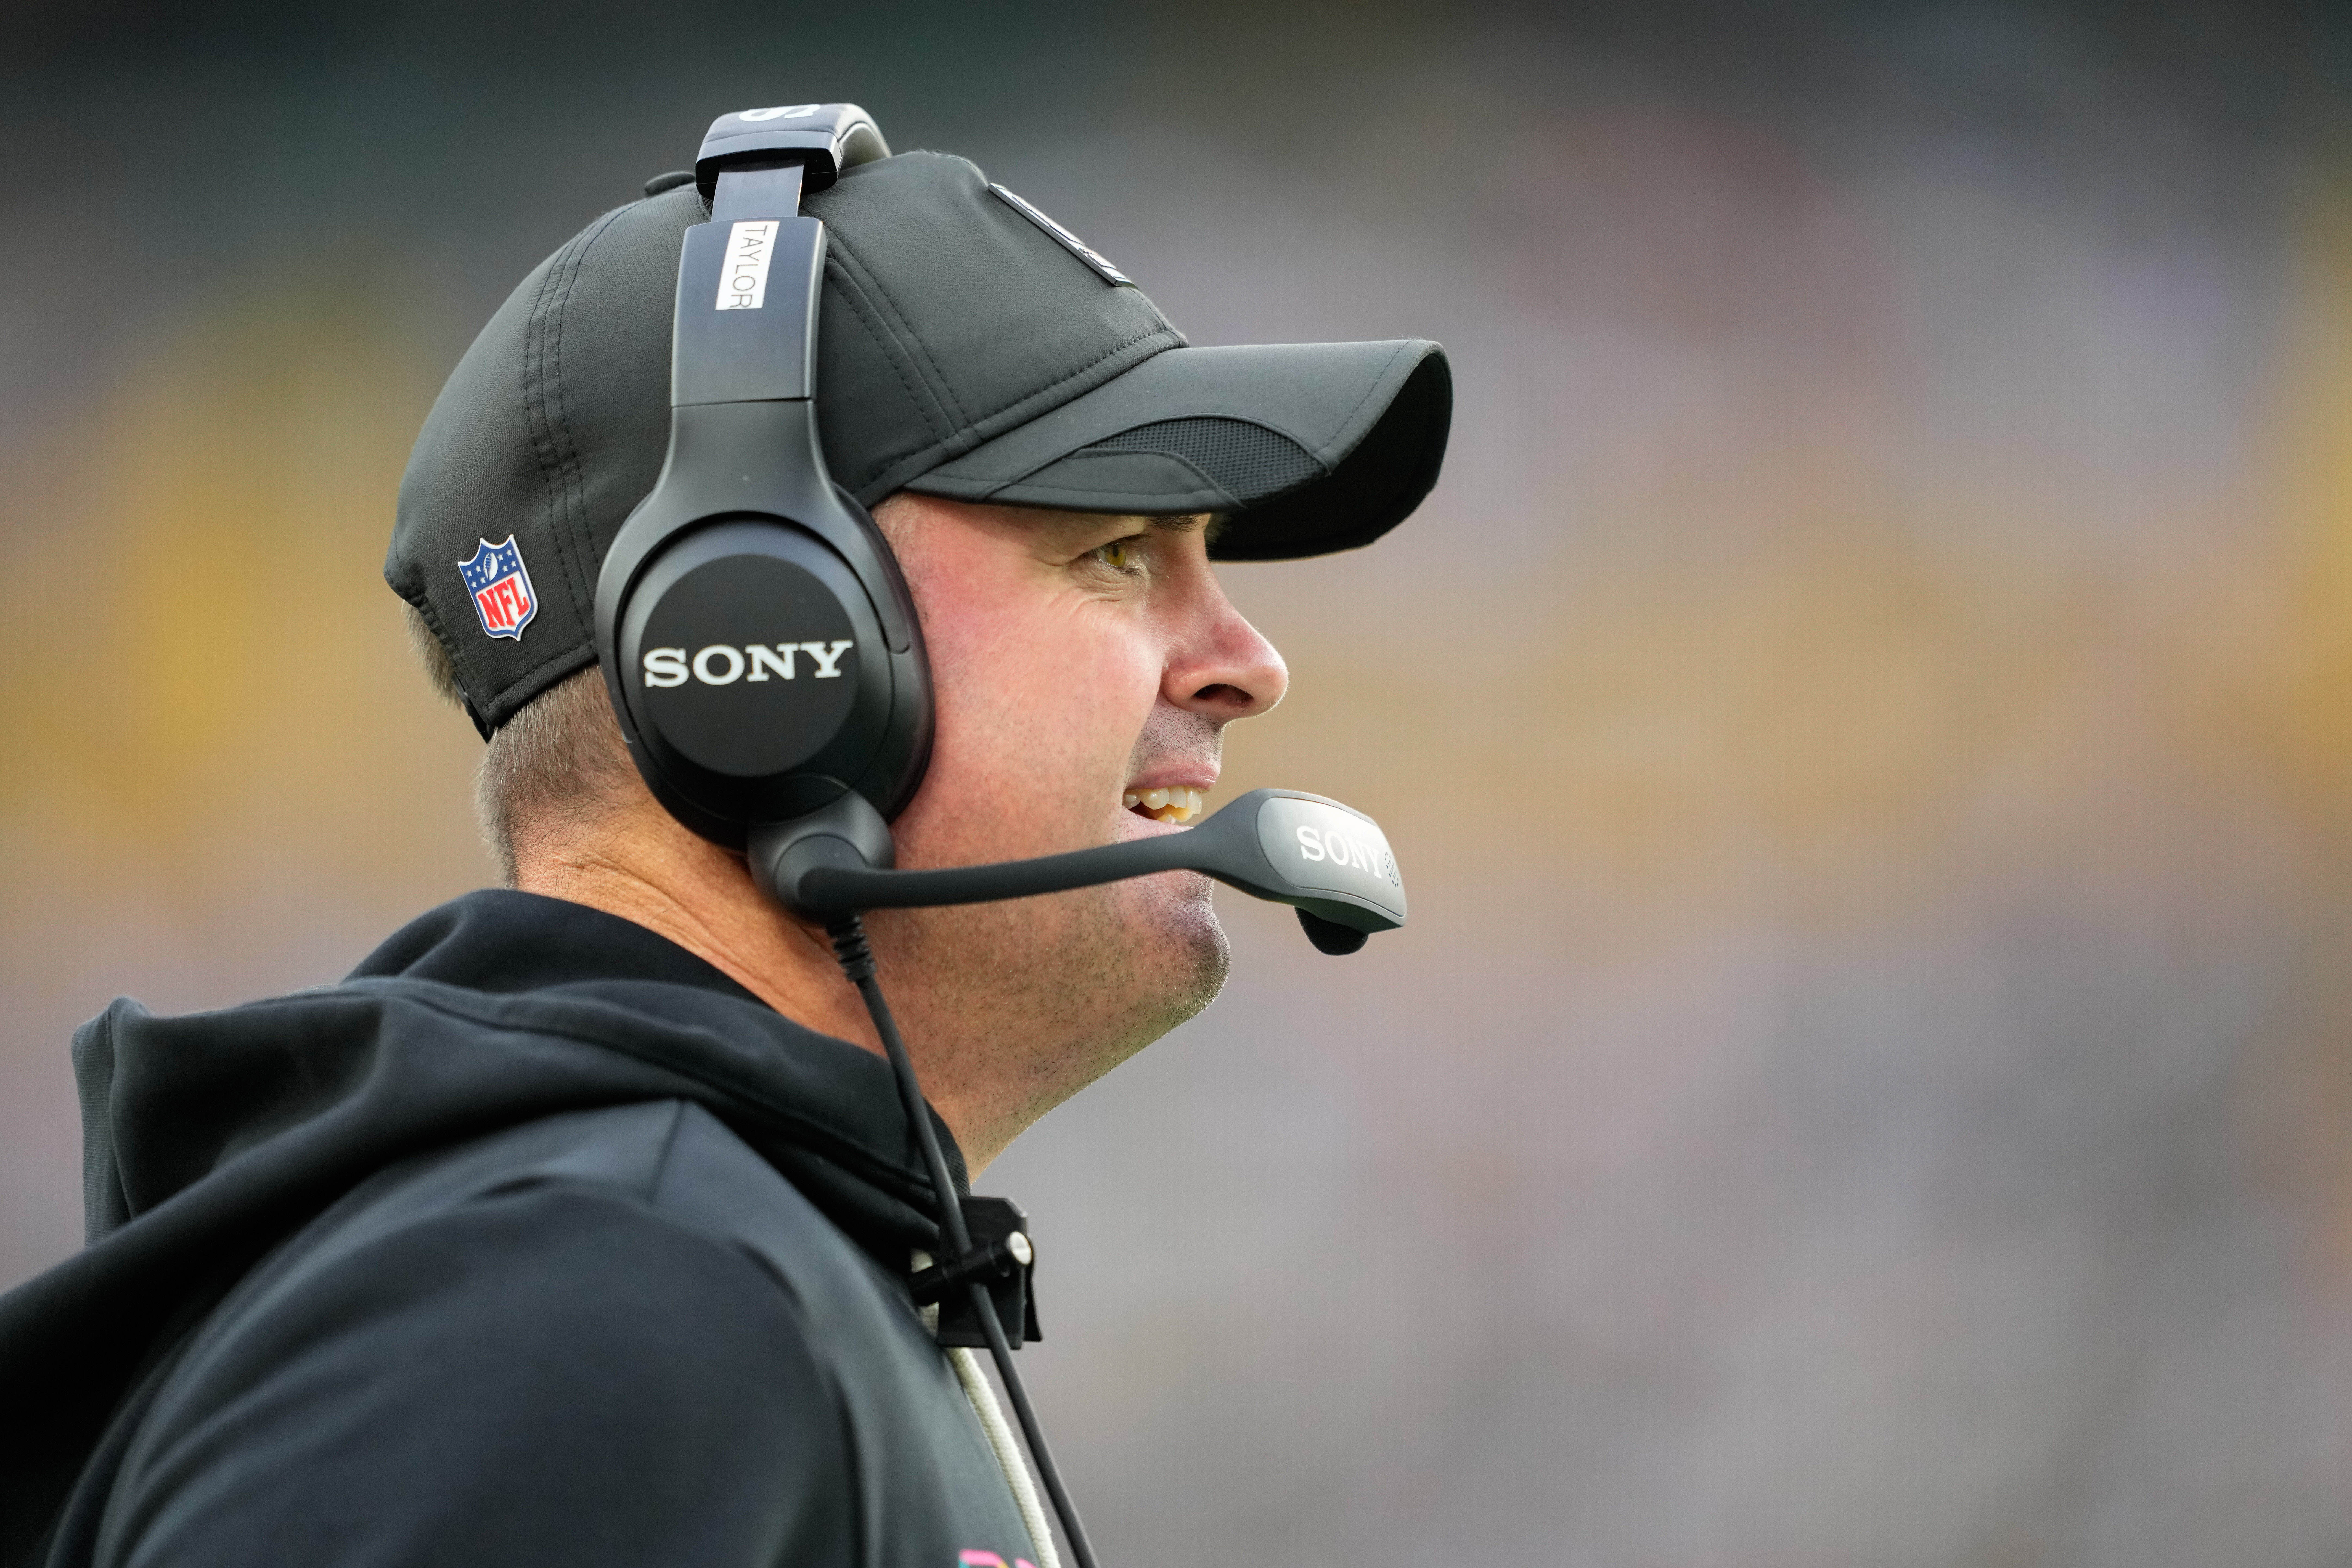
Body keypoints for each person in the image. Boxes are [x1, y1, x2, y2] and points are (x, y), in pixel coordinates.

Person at [0, 135, 1449, 1568]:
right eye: (1118, 549)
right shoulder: (589, 1306)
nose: (1246, 661)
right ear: (768, 646)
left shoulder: (693, 1262)